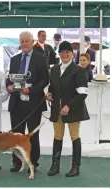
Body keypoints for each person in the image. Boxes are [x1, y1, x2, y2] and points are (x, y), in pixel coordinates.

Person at [6, 31, 49, 172]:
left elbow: (45, 80)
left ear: (32, 42)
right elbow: (10, 78)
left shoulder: (41, 58)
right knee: (15, 135)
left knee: (33, 135)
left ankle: (33, 163)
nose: (24, 44)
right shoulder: (14, 59)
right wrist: (9, 86)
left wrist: (31, 90)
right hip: (17, 102)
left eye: (26, 41)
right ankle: (16, 163)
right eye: (22, 41)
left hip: (33, 103)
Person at [46, 41, 90, 177]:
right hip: (57, 109)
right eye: (62, 52)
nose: (64, 54)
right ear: (59, 54)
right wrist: (49, 93)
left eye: (67, 52)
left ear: (72, 54)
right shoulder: (54, 70)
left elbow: (82, 93)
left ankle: (75, 167)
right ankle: (55, 166)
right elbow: (52, 86)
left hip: (73, 109)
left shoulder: (79, 71)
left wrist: (68, 106)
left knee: (74, 137)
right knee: (57, 137)